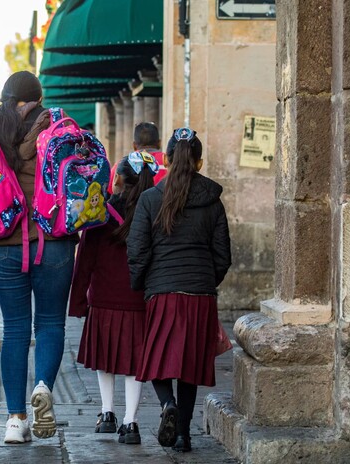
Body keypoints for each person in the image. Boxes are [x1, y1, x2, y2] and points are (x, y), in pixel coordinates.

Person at [0, 71, 78, 444]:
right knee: (51, 324)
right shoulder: (56, 124)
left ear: (7, 96)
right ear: (37, 99)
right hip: (54, 241)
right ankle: (42, 386)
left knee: (15, 330)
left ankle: (15, 419)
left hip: (5, 248)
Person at [126, 127, 231, 453]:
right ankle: (183, 435)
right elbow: (222, 255)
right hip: (200, 294)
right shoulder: (212, 202)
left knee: (156, 359)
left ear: (167, 160)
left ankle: (167, 404)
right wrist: (205, 281)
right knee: (190, 367)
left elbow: (137, 249)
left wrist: (143, 283)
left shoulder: (150, 199)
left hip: (163, 291)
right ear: (199, 162)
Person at [69, 151, 159, 445]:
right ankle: (130, 422)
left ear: (118, 178)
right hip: (138, 300)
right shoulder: (155, 212)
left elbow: (85, 259)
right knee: (134, 365)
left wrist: (78, 301)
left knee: (105, 360)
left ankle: (106, 413)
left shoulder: (101, 213)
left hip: (104, 298)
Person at [107, 122, 167, 195]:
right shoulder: (169, 162)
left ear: (134, 145)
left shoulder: (122, 166)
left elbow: (109, 192)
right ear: (159, 143)